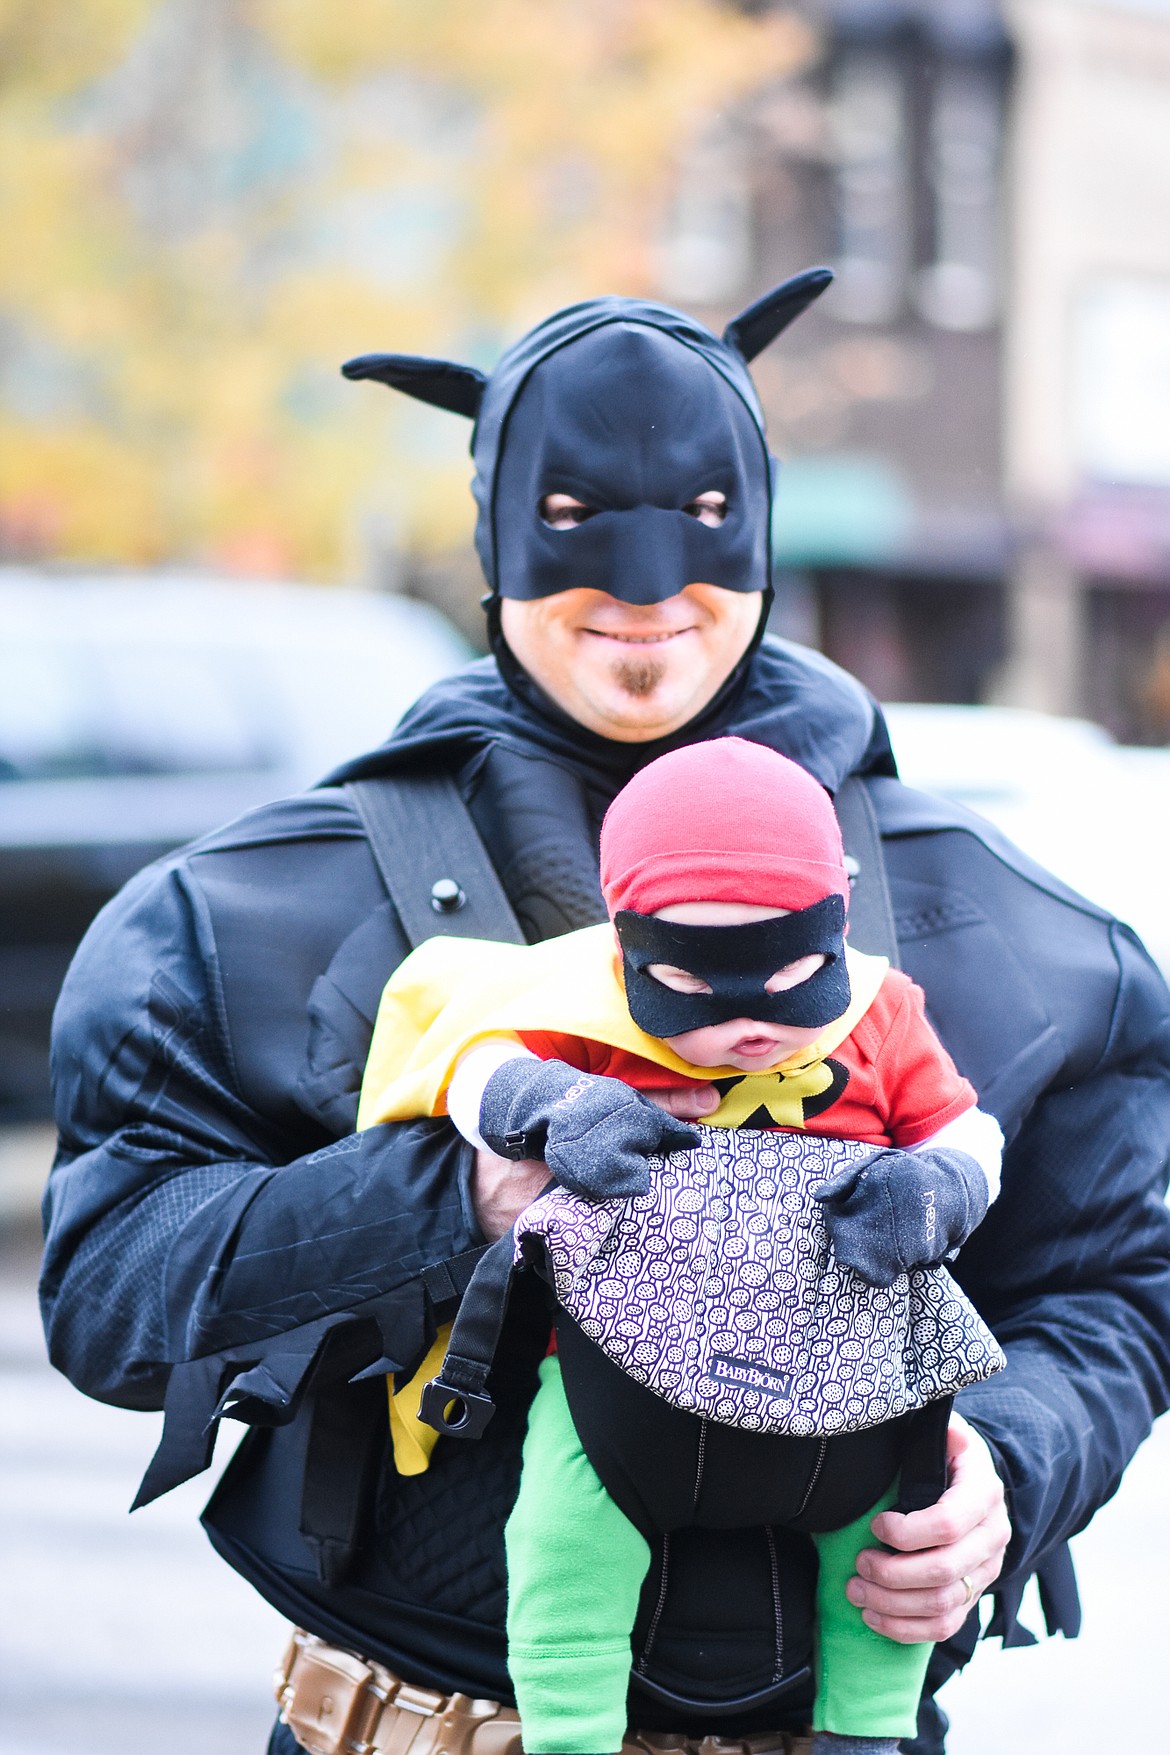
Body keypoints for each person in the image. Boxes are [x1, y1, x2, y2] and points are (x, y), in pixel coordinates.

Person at [38, 270, 1170, 1755]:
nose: (643, 597)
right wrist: (446, 1186)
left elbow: (1112, 1284)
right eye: (574, 530)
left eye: (696, 529)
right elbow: (110, 1292)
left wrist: (1011, 1468)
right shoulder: (250, 913)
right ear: (495, 529)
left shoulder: (1007, 925)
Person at [359, 734, 1006, 1755]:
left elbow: (971, 1129)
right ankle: (570, 1738)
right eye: (694, 983)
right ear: (626, 952)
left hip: (853, 1378)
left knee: (888, 1557)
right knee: (563, 1542)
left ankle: (868, 1734)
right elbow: (469, 1061)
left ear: (837, 922)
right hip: (617, 1380)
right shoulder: (586, 1008)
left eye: (794, 973)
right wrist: (547, 1103)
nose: (751, 1024)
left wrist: (941, 1186)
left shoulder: (882, 1016)